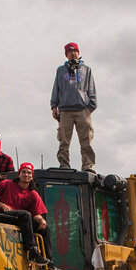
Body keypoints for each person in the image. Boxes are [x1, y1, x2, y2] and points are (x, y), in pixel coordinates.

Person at [0, 163, 55, 266]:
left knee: (44, 228)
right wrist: (2, 205)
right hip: (1, 217)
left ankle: (49, 263)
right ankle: (32, 252)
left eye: (29, 172)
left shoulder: (33, 194)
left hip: (20, 219)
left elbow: (36, 214)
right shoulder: (6, 184)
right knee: (25, 215)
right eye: (23, 172)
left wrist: (42, 221)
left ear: (32, 176)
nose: (26, 174)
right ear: (19, 174)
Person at [50, 42, 97, 173]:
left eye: (75, 51)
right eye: (70, 51)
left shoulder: (86, 69)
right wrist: (54, 106)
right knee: (64, 141)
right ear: (66, 54)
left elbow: (91, 88)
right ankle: (64, 165)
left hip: (83, 109)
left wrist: (90, 107)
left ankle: (88, 165)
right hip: (65, 110)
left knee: (86, 140)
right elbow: (56, 88)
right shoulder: (60, 70)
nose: (73, 53)